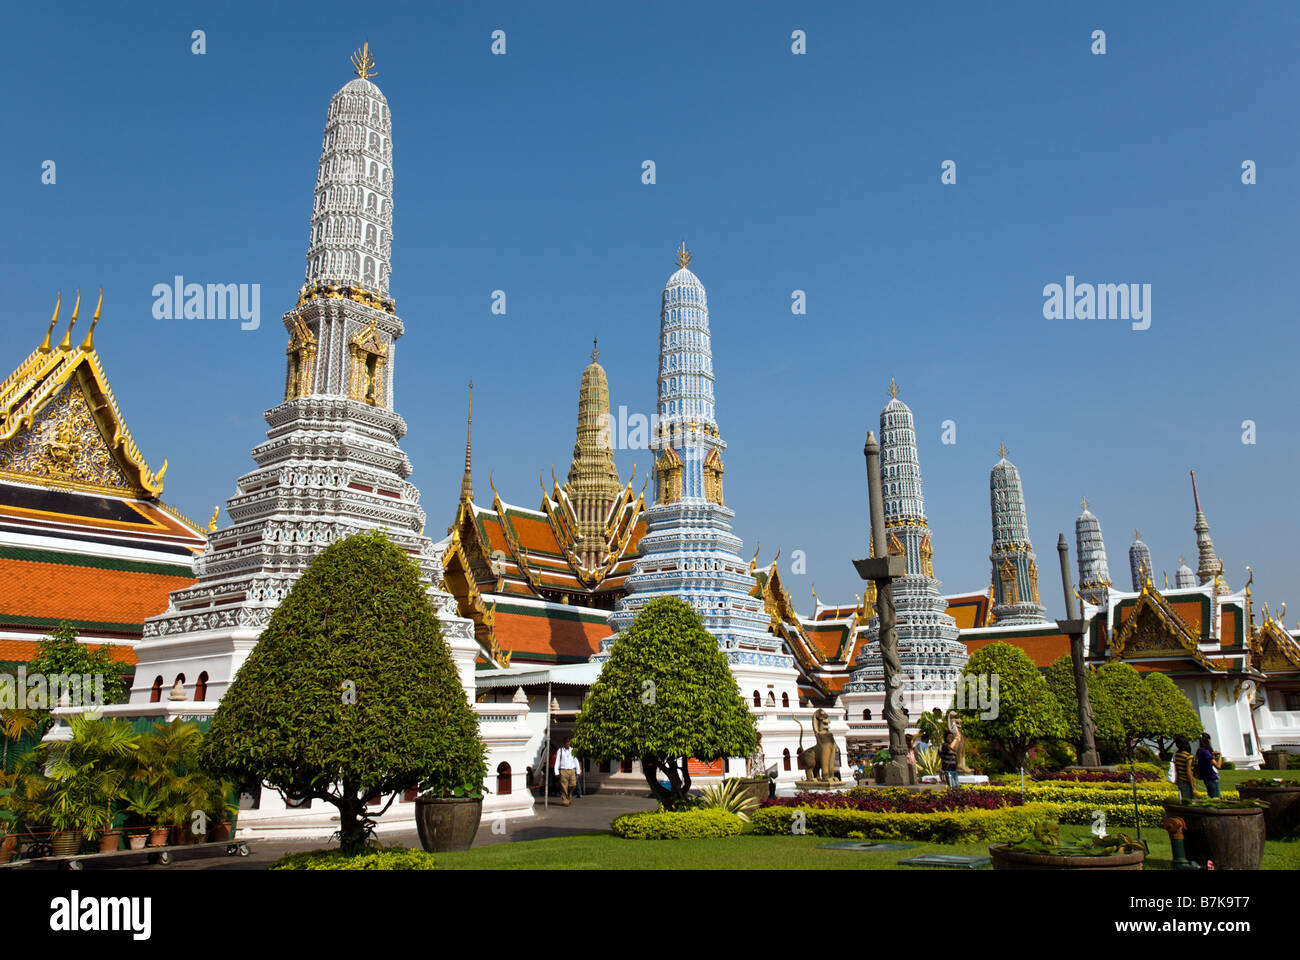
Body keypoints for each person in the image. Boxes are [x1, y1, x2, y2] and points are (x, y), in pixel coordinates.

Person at [553, 737, 580, 806]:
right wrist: (556, 771)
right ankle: (565, 800)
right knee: (564, 786)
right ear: (564, 743)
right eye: (566, 742)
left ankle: (569, 794)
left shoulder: (573, 750)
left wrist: (578, 770)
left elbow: (576, 760)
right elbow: (557, 761)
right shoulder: (560, 750)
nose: (567, 744)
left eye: (568, 742)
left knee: (573, 784)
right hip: (563, 770)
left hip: (572, 770)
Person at [1195, 733, 1222, 799]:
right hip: (1211, 778)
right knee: (1216, 799)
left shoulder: (1199, 751)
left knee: (1211, 797)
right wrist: (1220, 756)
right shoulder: (1205, 752)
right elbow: (1218, 766)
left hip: (1206, 777)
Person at [1173, 735, 1196, 801]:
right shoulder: (1189, 756)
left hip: (1180, 780)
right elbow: (1189, 772)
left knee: (1184, 800)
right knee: (1189, 801)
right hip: (1186, 781)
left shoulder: (1177, 754)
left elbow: (1176, 769)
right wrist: (1193, 787)